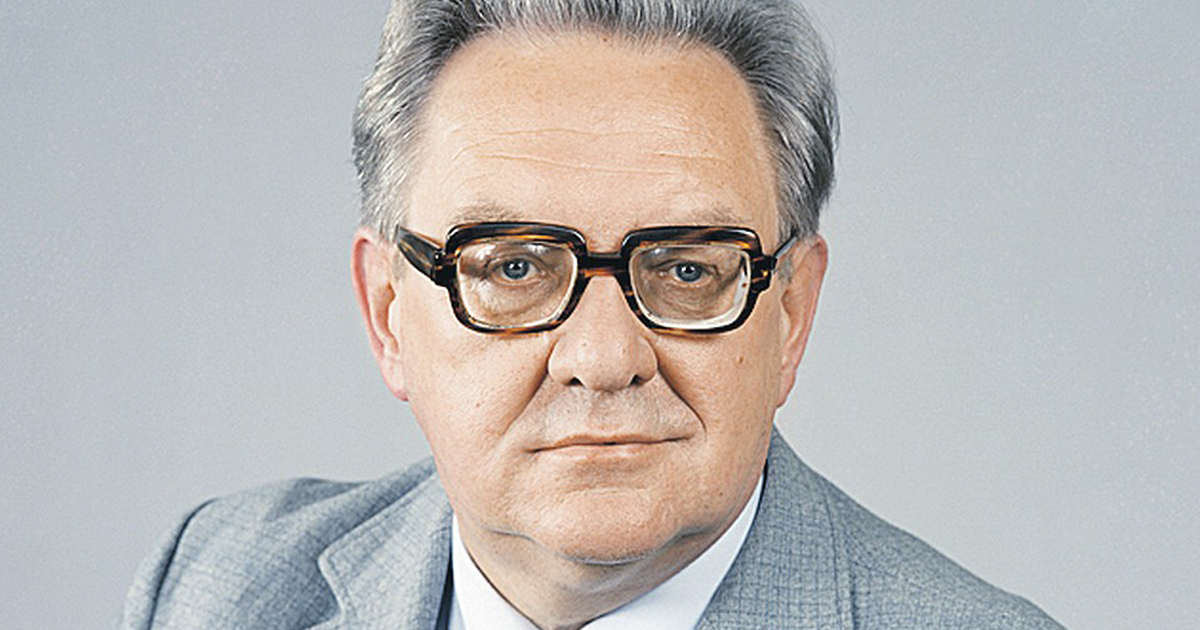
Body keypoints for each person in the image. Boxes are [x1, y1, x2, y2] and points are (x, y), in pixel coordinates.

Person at [119, 1, 1065, 628]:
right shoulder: (215, 588)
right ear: (388, 313)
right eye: (515, 266)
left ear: (792, 313)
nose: (606, 357)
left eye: (688, 269)